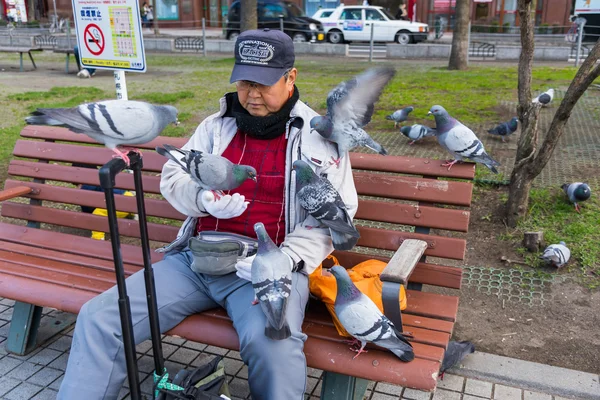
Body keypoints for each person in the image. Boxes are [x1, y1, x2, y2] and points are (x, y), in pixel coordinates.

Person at [57, 28, 358, 400]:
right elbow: (173, 175)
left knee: (274, 347)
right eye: (245, 82)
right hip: (197, 260)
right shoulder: (216, 125)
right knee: (100, 317)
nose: (251, 94)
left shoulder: (320, 137)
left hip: (268, 268)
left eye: (263, 84)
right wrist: (203, 199)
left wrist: (285, 258)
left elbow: (338, 213)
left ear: (290, 77)